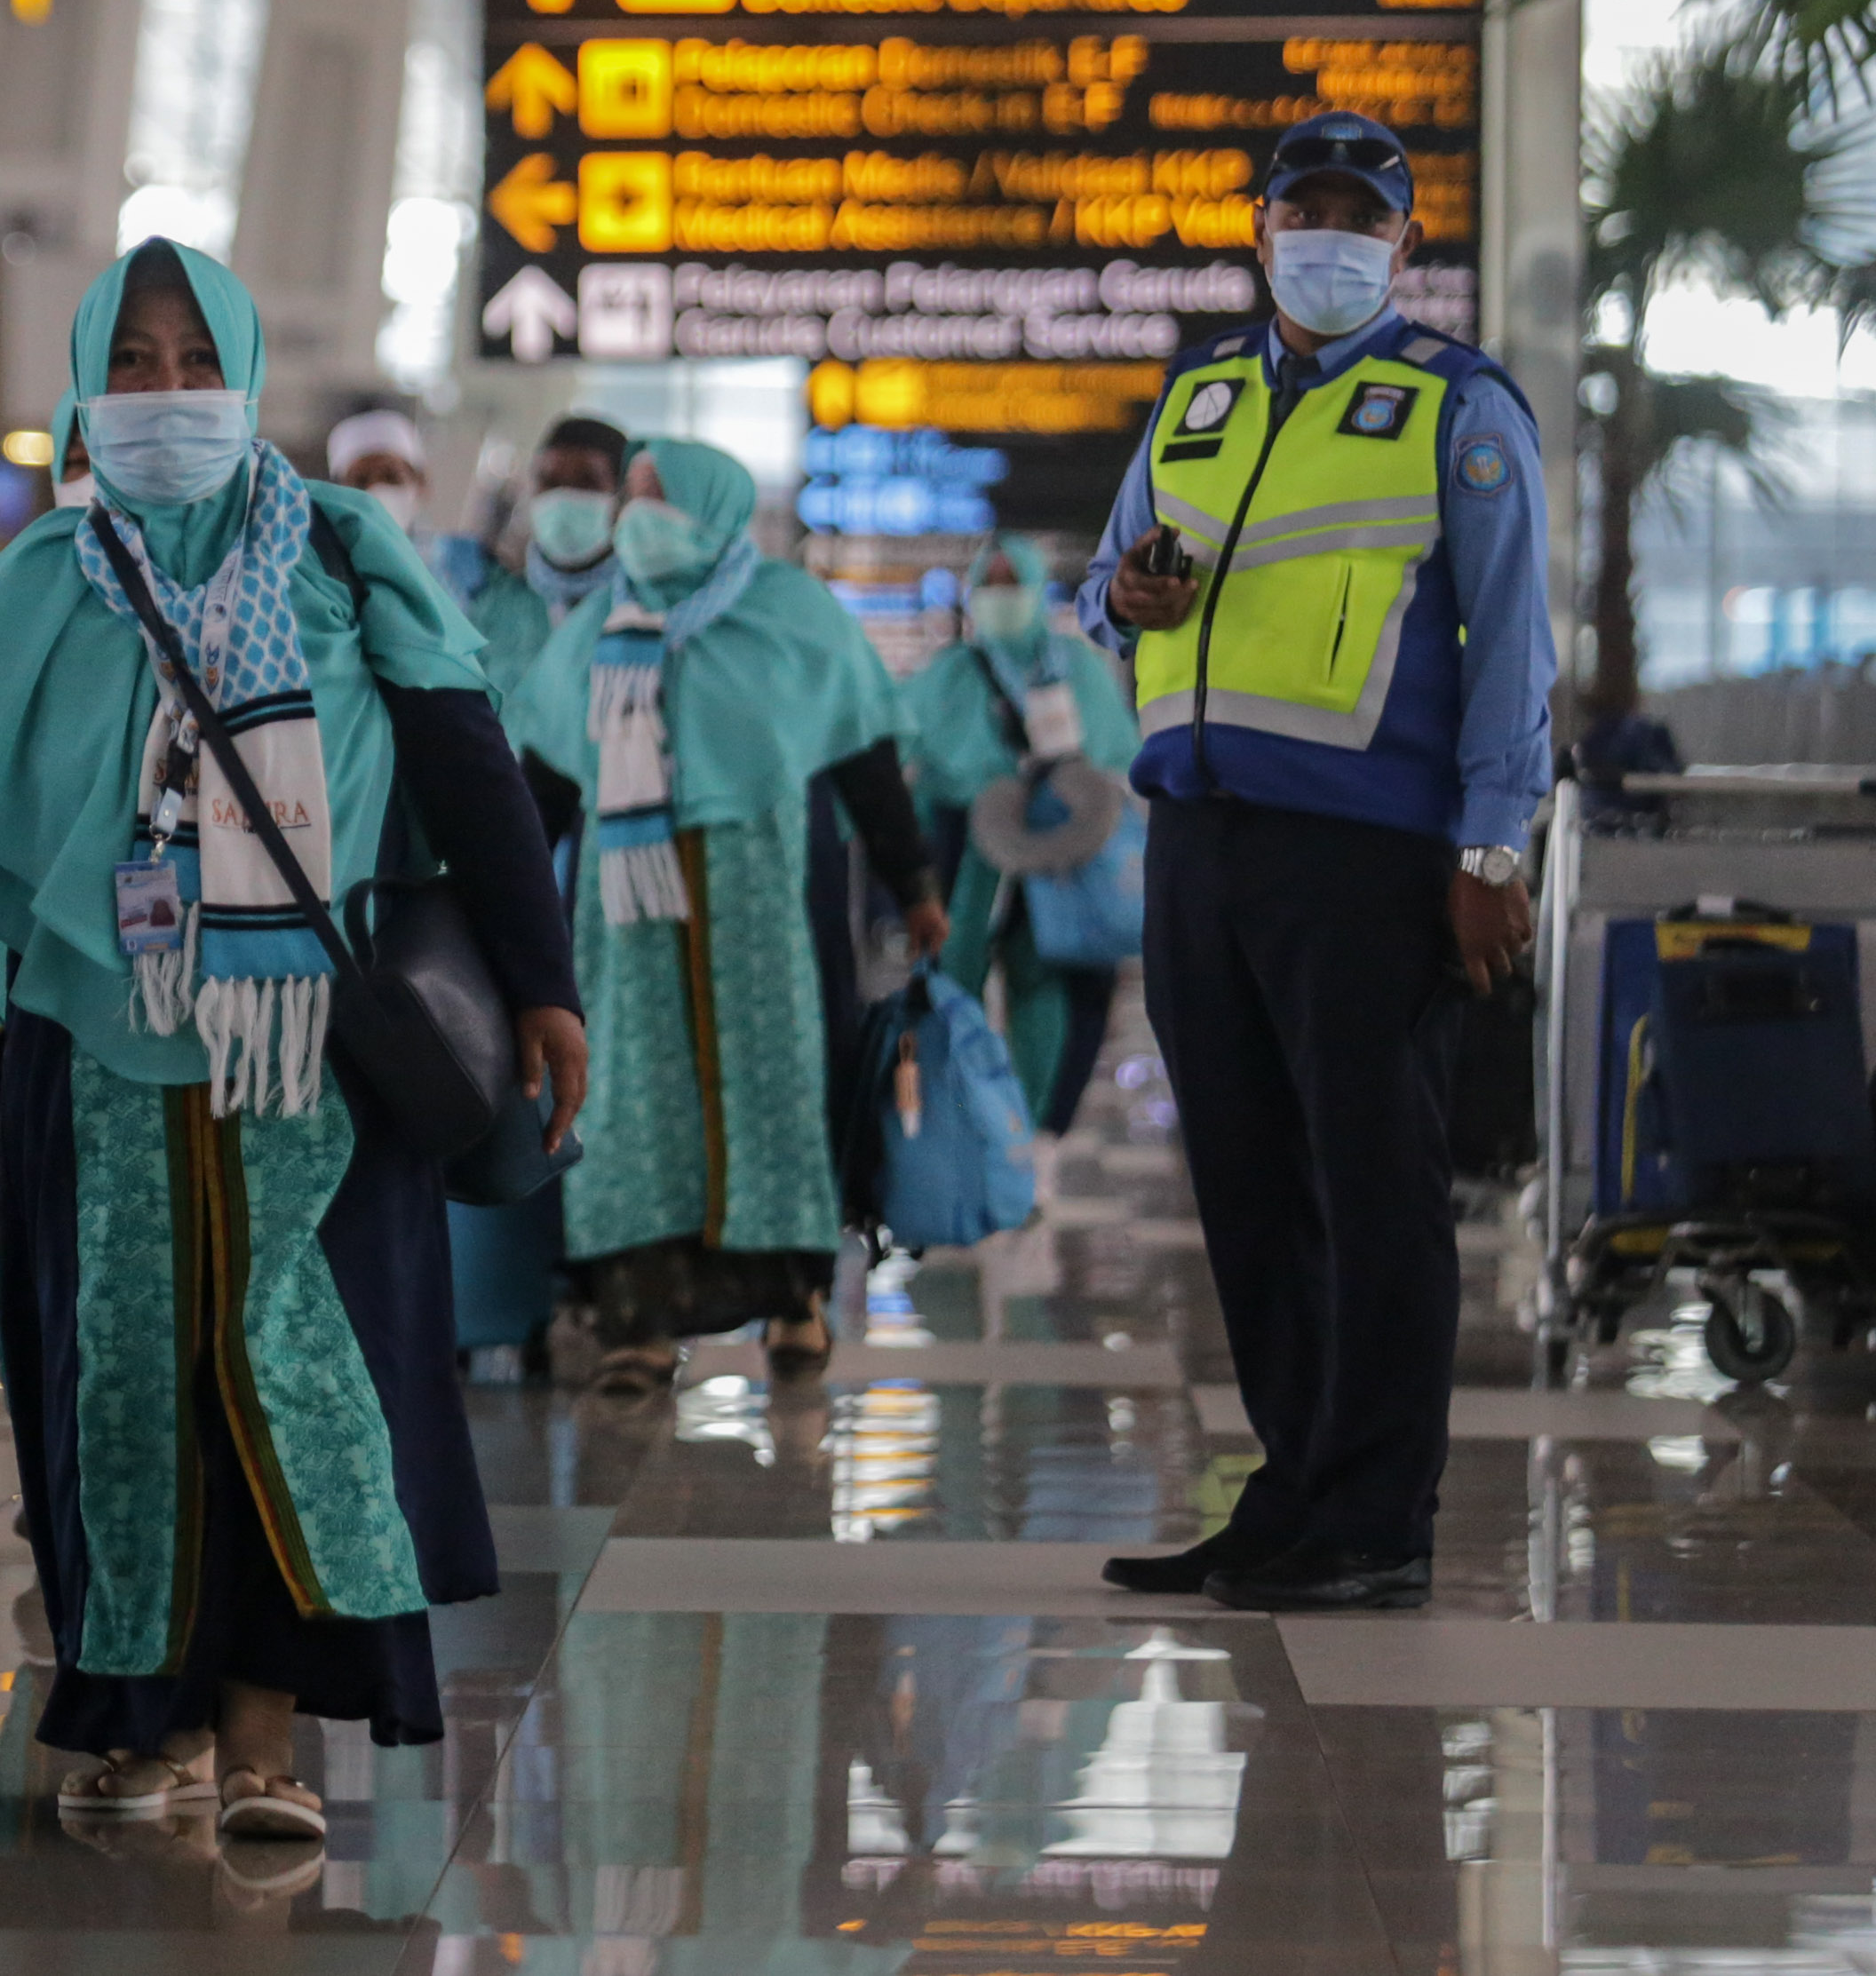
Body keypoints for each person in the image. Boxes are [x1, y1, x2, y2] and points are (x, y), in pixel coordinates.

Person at [0, 237, 584, 1848]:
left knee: (289, 1375)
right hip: (101, 1045)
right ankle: (137, 1712)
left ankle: (267, 1736)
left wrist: (545, 984)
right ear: (84, 389)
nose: (162, 394)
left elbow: (472, 772)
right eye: (130, 363)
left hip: (314, 1063)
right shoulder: (26, 593)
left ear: (247, 378)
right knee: (119, 1384)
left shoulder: (348, 562)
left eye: (191, 360)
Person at [1082, 111, 1549, 1615]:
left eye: (1364, 213)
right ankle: (1294, 1487)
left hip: (1369, 853)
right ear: (1261, 227)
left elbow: (1511, 645)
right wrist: (1133, 591)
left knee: (1373, 1184)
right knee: (1247, 1180)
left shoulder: (1458, 406)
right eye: (1308, 208)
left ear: (1408, 245)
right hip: (1199, 838)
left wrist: (1493, 841)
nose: (1331, 233)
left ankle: (1378, 1514)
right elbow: (1110, 583)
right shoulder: (1200, 392)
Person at [506, 439, 946, 1393]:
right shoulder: (594, 636)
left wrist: (914, 884)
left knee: (772, 1096)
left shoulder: (789, 615)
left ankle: (794, 1300)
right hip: (626, 933)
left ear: (713, 507)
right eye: (631, 497)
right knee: (632, 1106)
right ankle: (635, 1321)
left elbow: (864, 756)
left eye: (657, 497)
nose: (636, 515)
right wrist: (491, 902)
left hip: (765, 912)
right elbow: (538, 782)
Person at [899, 534, 1142, 1134]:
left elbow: (1117, 754)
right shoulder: (950, 674)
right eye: (991, 583)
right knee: (955, 979)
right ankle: (964, 1125)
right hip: (968, 843)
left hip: (1063, 849)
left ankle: (1038, 1131)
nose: (1001, 596)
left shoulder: (1074, 667)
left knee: (1049, 980)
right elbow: (906, 749)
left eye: (1014, 583)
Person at [468, 417, 630, 712]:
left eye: (588, 483)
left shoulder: (642, 607)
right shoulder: (494, 603)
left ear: (622, 498)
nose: (564, 497)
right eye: (550, 483)